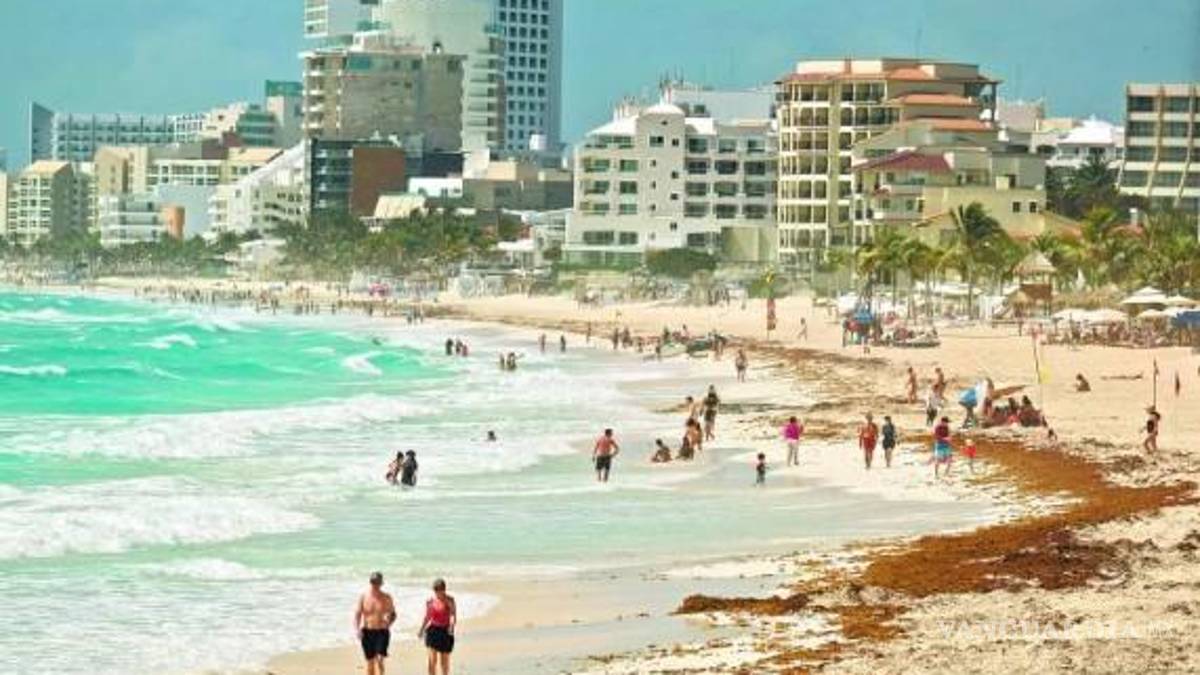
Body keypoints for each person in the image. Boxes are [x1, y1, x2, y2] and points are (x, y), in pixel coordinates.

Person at [354, 572, 397, 675]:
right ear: (370, 582)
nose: (375, 584)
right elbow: (357, 614)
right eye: (373, 582)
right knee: (370, 663)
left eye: (377, 582)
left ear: (381, 583)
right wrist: (357, 630)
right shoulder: (364, 597)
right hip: (367, 632)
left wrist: (389, 623)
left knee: (380, 660)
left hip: (382, 632)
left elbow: (393, 614)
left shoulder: (386, 597)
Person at [418, 578, 457, 675]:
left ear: (444, 589)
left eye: (440, 590)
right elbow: (427, 617)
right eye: (436, 590)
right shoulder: (430, 601)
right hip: (433, 631)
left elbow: (453, 615)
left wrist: (452, 626)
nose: (438, 593)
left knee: (444, 662)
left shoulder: (450, 600)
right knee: (432, 660)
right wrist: (421, 630)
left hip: (445, 632)